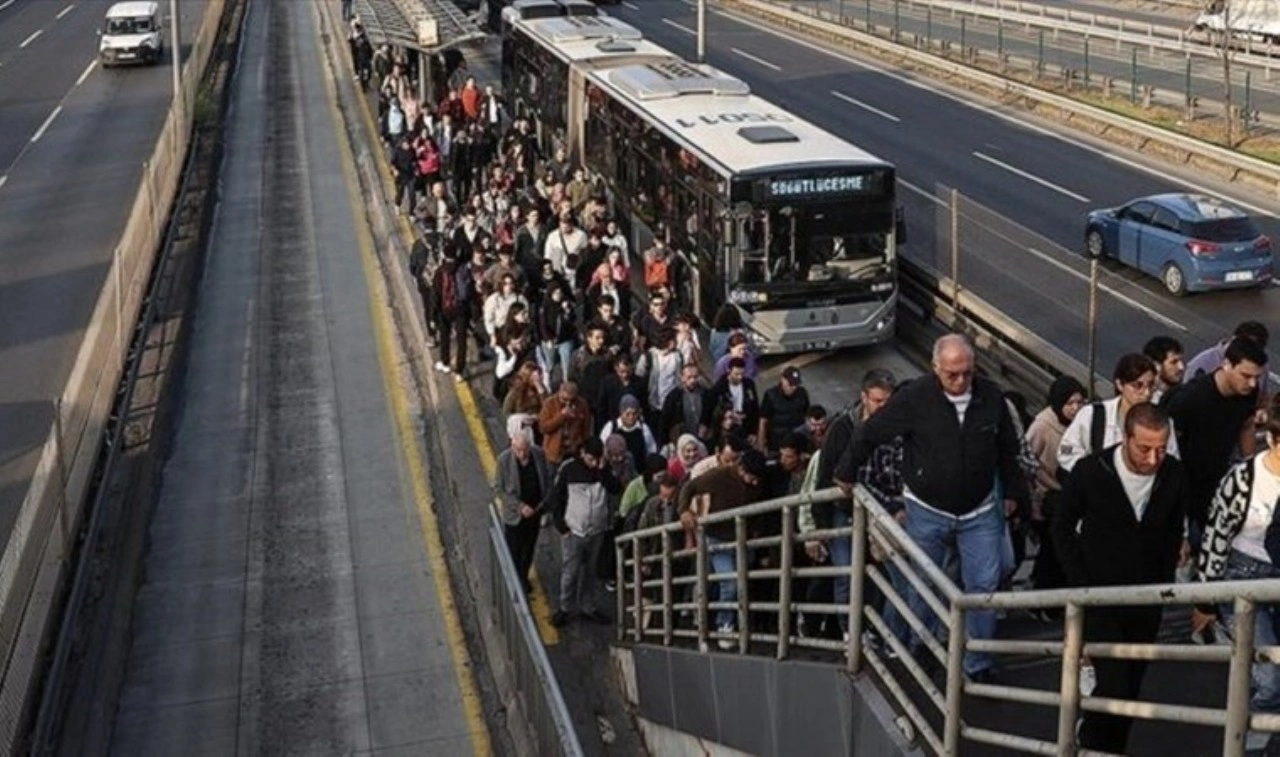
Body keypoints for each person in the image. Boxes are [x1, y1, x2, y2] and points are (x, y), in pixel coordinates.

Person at [834, 335, 1029, 682]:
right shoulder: (915, 398)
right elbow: (871, 432)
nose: (960, 382)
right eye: (952, 374)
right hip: (927, 509)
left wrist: (1014, 491)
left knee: (983, 586)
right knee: (922, 583)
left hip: (979, 510)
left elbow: (1006, 448)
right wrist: (846, 472)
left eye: (967, 374)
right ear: (936, 369)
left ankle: (978, 661)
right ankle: (920, 647)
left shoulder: (991, 397)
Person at [1052, 402, 1188, 754]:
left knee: (1132, 685)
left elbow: (1174, 528)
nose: (1154, 458)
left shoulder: (1173, 473)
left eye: (1161, 447)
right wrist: (1080, 585)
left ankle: (1110, 747)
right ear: (1125, 439)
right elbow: (1062, 528)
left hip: (1148, 599)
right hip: (1100, 597)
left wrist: (1165, 578)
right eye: (1145, 448)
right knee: (1114, 682)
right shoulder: (1090, 471)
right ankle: (1092, 742)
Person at [1200, 394, 1280, 757]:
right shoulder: (1243, 477)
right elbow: (1216, 537)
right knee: (1271, 677)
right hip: (1242, 576)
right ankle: (1250, 746)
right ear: (1273, 438)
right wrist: (1204, 600)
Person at [1167, 337, 1267, 557]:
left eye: (1256, 377)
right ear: (1226, 365)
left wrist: (1251, 467)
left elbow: (1246, 426)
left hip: (1216, 479)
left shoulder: (1247, 393)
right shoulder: (1191, 399)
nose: (1252, 384)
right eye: (1246, 376)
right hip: (1183, 483)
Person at [678, 449, 769, 648]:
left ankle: (707, 619)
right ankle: (724, 624)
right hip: (716, 536)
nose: (753, 482)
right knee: (729, 580)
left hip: (742, 538)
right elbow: (689, 487)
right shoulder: (720, 476)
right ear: (741, 469)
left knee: (717, 581)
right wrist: (684, 511)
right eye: (751, 477)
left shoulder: (757, 483)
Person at [1057, 354, 1180, 476]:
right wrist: (1093, 475)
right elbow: (1066, 452)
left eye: (1151, 385)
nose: (1146, 393)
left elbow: (1172, 463)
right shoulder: (1093, 415)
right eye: (1138, 386)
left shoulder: (1163, 422)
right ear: (1120, 384)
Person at [550, 438, 622, 626]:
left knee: (591, 572)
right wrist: (562, 527)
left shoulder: (603, 471)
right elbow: (556, 497)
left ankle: (587, 606)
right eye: (590, 459)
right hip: (574, 531)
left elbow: (615, 488)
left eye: (596, 459)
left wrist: (602, 470)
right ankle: (565, 607)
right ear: (582, 453)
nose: (592, 463)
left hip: (597, 531)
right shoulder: (569, 469)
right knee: (570, 572)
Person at [1024, 376, 1086, 594]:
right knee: (1053, 545)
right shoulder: (1042, 426)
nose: (1075, 408)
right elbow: (1028, 461)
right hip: (1045, 496)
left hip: (1069, 494)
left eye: (1080, 403)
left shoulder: (1082, 425)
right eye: (1070, 403)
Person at [497, 418, 552, 593]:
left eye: (524, 450)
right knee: (514, 549)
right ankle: (514, 581)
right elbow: (500, 489)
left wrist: (542, 504)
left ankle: (523, 576)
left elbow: (546, 478)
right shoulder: (504, 461)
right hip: (515, 515)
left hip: (535, 512)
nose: (522, 454)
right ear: (512, 447)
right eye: (518, 450)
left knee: (529, 548)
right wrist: (520, 507)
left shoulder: (538, 454)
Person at [706, 357, 761, 449]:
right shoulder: (719, 387)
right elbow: (711, 409)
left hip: (745, 425)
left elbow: (755, 408)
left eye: (741, 374)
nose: (739, 377)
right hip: (727, 427)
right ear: (729, 371)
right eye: (736, 374)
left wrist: (753, 431)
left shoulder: (749, 384)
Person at [538, 381, 592, 466]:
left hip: (574, 450)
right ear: (559, 393)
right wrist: (561, 416)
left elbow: (586, 429)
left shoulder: (582, 405)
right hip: (554, 453)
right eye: (565, 399)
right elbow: (543, 428)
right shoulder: (549, 403)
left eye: (572, 400)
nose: (568, 403)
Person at [759, 367, 810, 453]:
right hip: (777, 443)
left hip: (796, 442)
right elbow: (763, 420)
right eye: (790, 384)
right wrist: (761, 442)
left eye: (796, 384)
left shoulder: (802, 394)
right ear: (783, 380)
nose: (793, 387)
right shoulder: (771, 395)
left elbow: (807, 416)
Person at [599, 395, 658, 471]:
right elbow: (602, 447)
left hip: (638, 471)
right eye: (628, 414)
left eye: (634, 413)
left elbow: (651, 450)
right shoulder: (611, 426)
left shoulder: (643, 428)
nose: (631, 417)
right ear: (621, 412)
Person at [660, 364, 710, 445]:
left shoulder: (706, 395)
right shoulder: (674, 397)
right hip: (680, 439)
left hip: (700, 440)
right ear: (682, 378)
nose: (693, 380)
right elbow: (664, 421)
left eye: (695, 377)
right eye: (689, 377)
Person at [1143, 335, 1186, 404]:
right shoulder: (1143, 398)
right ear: (1156, 366)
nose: (1181, 367)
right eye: (1174, 362)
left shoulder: (1184, 395)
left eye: (1181, 361)